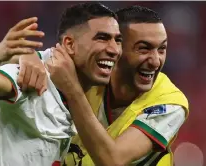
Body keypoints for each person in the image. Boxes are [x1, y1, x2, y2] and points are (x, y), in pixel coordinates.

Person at [17, 5, 189, 166]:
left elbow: (112, 161)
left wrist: (73, 91)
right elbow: (46, 57)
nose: (155, 61)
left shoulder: (170, 102)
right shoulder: (90, 72)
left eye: (162, 49)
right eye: (143, 49)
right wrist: (28, 56)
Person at [0, 2, 122, 166]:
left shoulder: (82, 92)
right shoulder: (31, 76)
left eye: (118, 40)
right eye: (102, 38)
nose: (114, 49)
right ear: (70, 44)